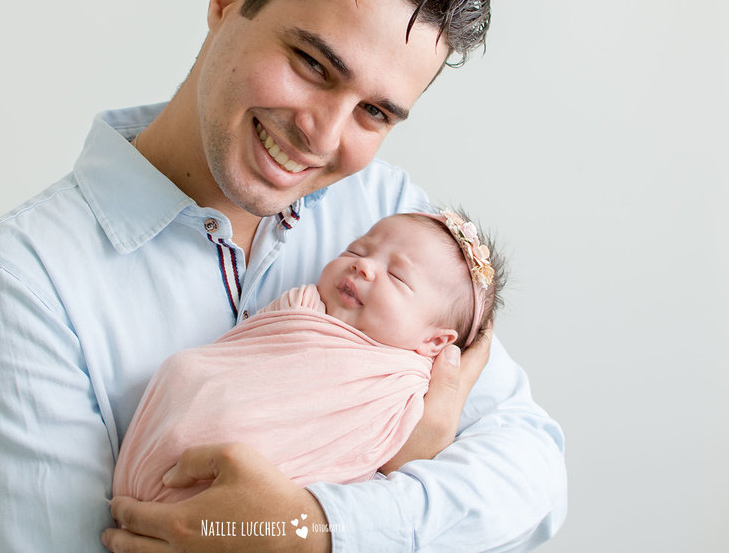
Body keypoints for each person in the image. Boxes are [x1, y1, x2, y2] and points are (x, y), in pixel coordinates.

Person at [0, 0, 567, 553]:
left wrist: (317, 540)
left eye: (375, 113)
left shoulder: (392, 223)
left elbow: (533, 473)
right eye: (312, 64)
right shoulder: (19, 284)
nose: (324, 137)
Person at [113, 210, 505, 505]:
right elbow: (239, 359)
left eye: (398, 277)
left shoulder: (411, 384)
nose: (363, 266)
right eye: (357, 249)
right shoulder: (302, 305)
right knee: (184, 371)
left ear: (435, 342)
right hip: (190, 425)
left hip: (258, 506)